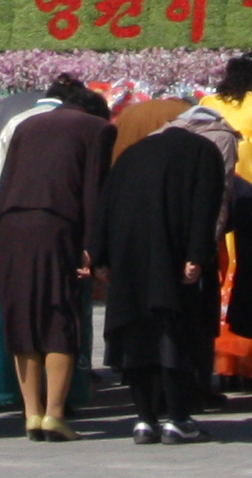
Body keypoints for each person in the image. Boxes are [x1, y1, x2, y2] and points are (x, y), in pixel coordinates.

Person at [93, 104, 232, 444]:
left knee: (136, 335)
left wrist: (101, 258)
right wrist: (197, 255)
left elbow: (105, 205)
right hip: (171, 258)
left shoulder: (132, 153)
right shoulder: (203, 151)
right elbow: (206, 206)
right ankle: (178, 418)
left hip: (127, 261)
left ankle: (144, 419)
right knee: (174, 334)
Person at [0, 74, 111, 440]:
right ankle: (55, 413)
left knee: (23, 316)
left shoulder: (27, 124)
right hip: (57, 225)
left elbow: (5, 181)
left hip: (12, 226)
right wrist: (93, 246)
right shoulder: (98, 129)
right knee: (59, 315)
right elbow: (95, 189)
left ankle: (31, 413)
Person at [202, 52, 252, 389]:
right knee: (247, 276)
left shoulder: (207, 102)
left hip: (214, 201)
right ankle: (251, 366)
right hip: (251, 204)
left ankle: (220, 364)